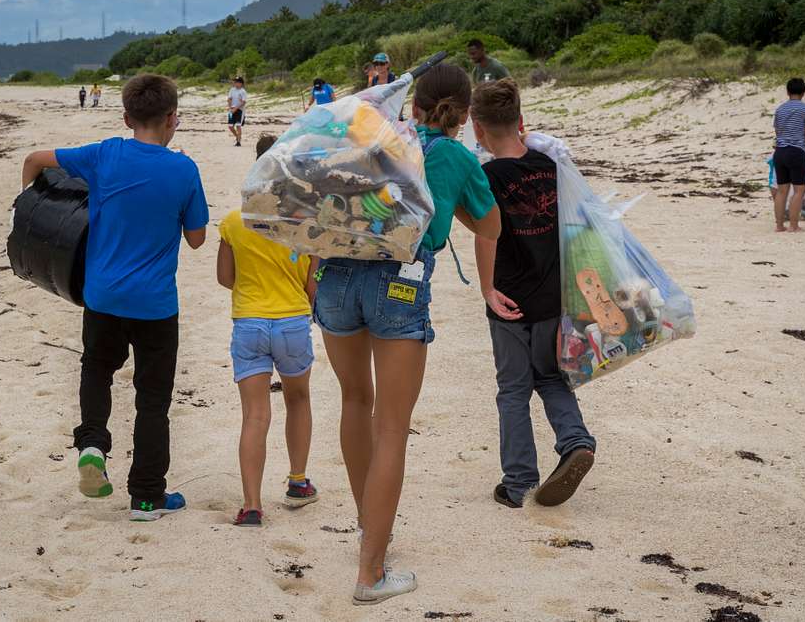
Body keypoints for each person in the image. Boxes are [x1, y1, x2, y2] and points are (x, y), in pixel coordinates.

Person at [313, 63, 501, 605]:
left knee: (354, 401)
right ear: (463, 115)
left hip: (336, 280)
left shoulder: (374, 137)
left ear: (412, 106)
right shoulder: (452, 155)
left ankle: (371, 533)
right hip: (398, 284)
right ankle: (371, 572)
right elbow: (489, 226)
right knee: (391, 428)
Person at [20, 73, 209, 521]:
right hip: (155, 304)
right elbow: (198, 238)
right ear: (172, 119)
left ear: (126, 117)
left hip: (101, 295)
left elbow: (34, 160)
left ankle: (91, 446)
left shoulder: (105, 154)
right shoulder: (184, 169)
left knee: (97, 370)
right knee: (153, 397)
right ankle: (146, 496)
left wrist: (29, 211)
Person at [469, 79, 595, 510]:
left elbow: (486, 237)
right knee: (551, 377)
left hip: (510, 299)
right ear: (520, 121)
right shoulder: (549, 165)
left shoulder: (487, 176)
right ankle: (576, 441)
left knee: (513, 389)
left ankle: (519, 480)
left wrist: (488, 289)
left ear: (476, 128)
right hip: (551, 296)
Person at [217, 134, 320, 527]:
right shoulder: (305, 223)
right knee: (299, 400)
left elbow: (225, 278)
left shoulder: (234, 220)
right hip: (293, 319)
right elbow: (313, 284)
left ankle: (252, 504)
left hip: (249, 322)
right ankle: (298, 481)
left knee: (255, 415)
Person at [771, 78, 805, 232]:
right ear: (803, 92)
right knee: (799, 190)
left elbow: (777, 132)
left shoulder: (780, 109)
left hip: (780, 151)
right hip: (797, 151)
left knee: (782, 190)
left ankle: (779, 225)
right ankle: (794, 225)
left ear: (788, 92)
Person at [228, 76, 247, 147]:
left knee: (238, 125)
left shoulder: (243, 91)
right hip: (231, 110)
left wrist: (235, 109)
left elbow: (243, 102)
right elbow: (229, 99)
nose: (235, 83)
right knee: (230, 126)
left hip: (240, 110)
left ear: (241, 83)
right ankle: (237, 136)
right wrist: (230, 108)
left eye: (237, 82)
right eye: (235, 82)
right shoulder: (232, 90)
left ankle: (238, 142)